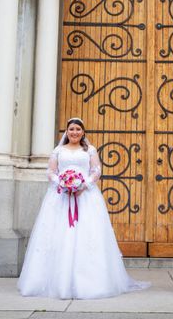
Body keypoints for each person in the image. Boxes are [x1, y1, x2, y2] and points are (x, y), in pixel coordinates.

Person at [18, 117, 150, 299]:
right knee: (58, 235)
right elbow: (50, 171)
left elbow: (96, 170)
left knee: (87, 234)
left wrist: (83, 185)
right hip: (60, 198)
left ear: (83, 132)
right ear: (66, 131)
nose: (74, 132)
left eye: (78, 129)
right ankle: (55, 282)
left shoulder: (90, 150)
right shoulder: (58, 150)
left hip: (86, 197)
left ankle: (90, 282)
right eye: (71, 129)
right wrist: (62, 184)